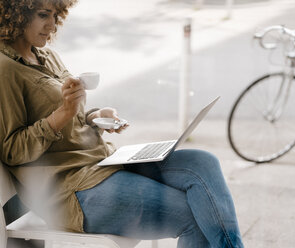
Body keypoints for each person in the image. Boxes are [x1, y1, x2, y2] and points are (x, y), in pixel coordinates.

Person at [0, 0, 244, 247]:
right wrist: (63, 113)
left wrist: (94, 116)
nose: (52, 26)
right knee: (194, 214)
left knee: (203, 162)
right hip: (72, 190)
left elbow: (68, 117)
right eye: (44, 15)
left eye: (55, 15)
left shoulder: (47, 55)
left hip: (104, 163)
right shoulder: (5, 69)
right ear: (16, 15)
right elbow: (12, 151)